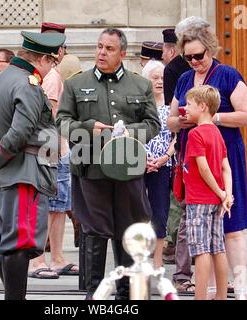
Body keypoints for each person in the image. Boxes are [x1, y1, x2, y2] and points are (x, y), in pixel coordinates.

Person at [56, 28, 160, 299]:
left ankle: (125, 294)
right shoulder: (76, 84)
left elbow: (153, 124)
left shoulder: (140, 84)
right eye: (99, 46)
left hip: (127, 167)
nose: (101, 52)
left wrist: (130, 133)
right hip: (91, 168)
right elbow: (62, 121)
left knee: (128, 229)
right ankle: (94, 293)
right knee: (95, 230)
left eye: (109, 48)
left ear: (123, 54)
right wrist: (89, 127)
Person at [0, 30, 66, 300]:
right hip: (24, 173)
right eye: (52, 63)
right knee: (19, 242)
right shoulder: (28, 84)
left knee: (4, 242)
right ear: (44, 59)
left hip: (3, 175)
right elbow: (22, 130)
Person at [167, 17, 247, 299]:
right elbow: (170, 119)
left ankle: (238, 288)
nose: (193, 61)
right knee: (203, 232)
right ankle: (214, 289)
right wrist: (182, 122)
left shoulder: (229, 75)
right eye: (188, 56)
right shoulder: (183, 79)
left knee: (231, 224)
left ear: (210, 49)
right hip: (193, 160)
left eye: (198, 55)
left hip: (223, 155)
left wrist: (210, 118)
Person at [28, 22, 79, 279]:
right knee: (47, 205)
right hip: (52, 148)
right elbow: (50, 114)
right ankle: (38, 259)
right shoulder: (51, 76)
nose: (62, 52)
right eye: (61, 47)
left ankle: (57, 257)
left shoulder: (49, 74)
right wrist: (54, 152)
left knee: (58, 207)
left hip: (57, 147)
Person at [182, 85, 233, 300]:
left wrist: (221, 193)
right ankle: (221, 296)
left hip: (199, 200)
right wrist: (226, 194)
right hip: (216, 200)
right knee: (217, 248)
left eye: (190, 105)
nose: (185, 109)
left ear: (203, 107)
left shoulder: (195, 134)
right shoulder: (217, 133)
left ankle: (200, 297)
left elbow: (203, 168)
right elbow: (226, 168)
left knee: (201, 250)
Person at [162, 26, 194, 286]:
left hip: (191, 148)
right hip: (184, 148)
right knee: (182, 208)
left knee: (182, 208)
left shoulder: (173, 68)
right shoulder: (178, 73)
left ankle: (186, 267)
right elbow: (172, 119)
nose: (194, 61)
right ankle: (183, 271)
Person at [141, 60, 176, 269]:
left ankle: (157, 261)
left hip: (163, 165)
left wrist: (165, 157)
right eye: (155, 78)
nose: (159, 82)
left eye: (162, 78)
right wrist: (143, 159)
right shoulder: (140, 104)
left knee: (160, 212)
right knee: (138, 211)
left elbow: (177, 136)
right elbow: (131, 132)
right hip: (139, 164)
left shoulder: (171, 104)